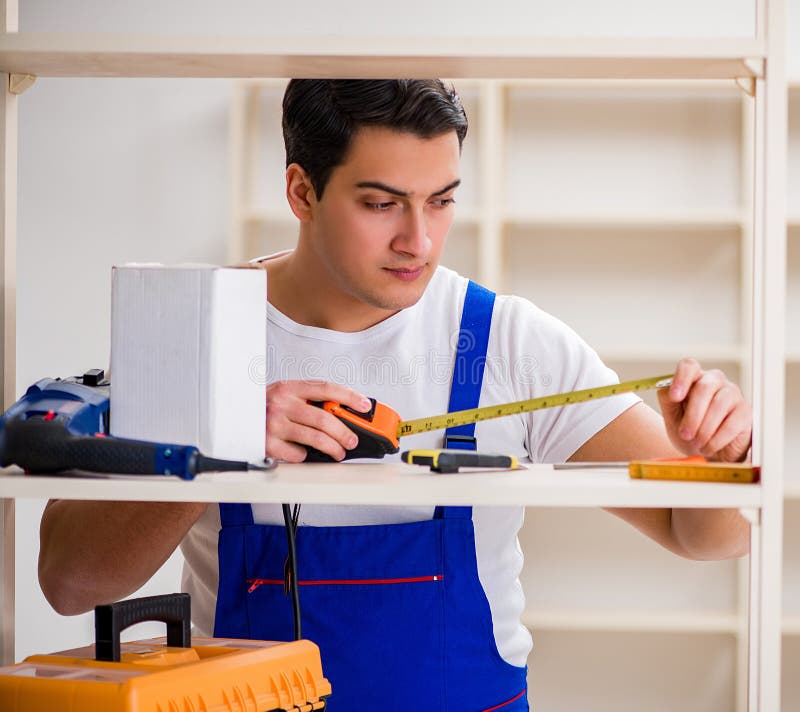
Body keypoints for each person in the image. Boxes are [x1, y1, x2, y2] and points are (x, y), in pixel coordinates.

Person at [39, 79, 751, 711]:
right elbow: (69, 584)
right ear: (302, 191)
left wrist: (720, 460)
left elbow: (706, 537)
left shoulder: (507, 341)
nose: (420, 240)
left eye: (441, 202)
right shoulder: (192, 330)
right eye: (382, 203)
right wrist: (211, 435)